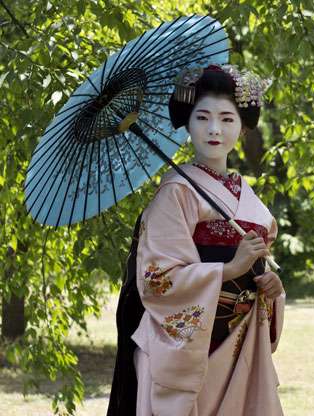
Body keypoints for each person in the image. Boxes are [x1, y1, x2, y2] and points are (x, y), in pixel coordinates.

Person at [107, 63, 285, 416]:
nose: (214, 129)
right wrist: (230, 268)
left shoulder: (247, 195)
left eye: (227, 119)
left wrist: (272, 289)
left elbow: (259, 268)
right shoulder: (175, 193)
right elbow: (157, 280)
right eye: (202, 118)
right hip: (189, 348)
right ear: (187, 124)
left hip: (238, 342)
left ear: (243, 127)